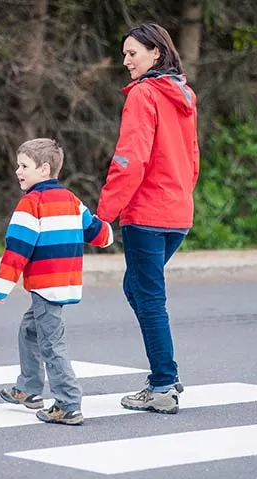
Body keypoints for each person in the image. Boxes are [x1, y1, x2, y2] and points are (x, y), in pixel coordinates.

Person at [96, 24, 200, 414]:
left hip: (146, 214)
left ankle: (163, 384)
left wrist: (104, 216)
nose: (125, 61)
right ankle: (163, 374)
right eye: (124, 55)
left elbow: (129, 159)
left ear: (156, 53)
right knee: (137, 288)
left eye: (132, 54)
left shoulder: (144, 94)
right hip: (177, 213)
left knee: (149, 297)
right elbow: (193, 159)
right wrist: (181, 198)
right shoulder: (184, 94)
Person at [0, 138, 114, 425]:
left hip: (46, 285)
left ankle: (68, 404)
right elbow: (95, 230)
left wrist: (2, 285)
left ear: (44, 169)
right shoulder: (71, 200)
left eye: (24, 166)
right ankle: (29, 389)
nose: (17, 171)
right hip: (64, 281)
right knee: (29, 330)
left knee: (51, 344)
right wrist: (108, 234)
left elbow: (17, 248)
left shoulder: (31, 204)